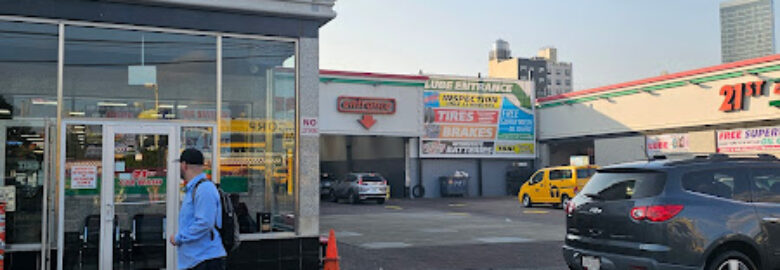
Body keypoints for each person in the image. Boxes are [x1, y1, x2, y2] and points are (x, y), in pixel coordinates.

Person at [170, 148, 226, 270]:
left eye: (180, 164)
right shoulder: (194, 189)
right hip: (195, 260)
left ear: (184, 165)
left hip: (204, 260)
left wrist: (179, 238)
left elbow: (205, 223)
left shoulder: (204, 189)